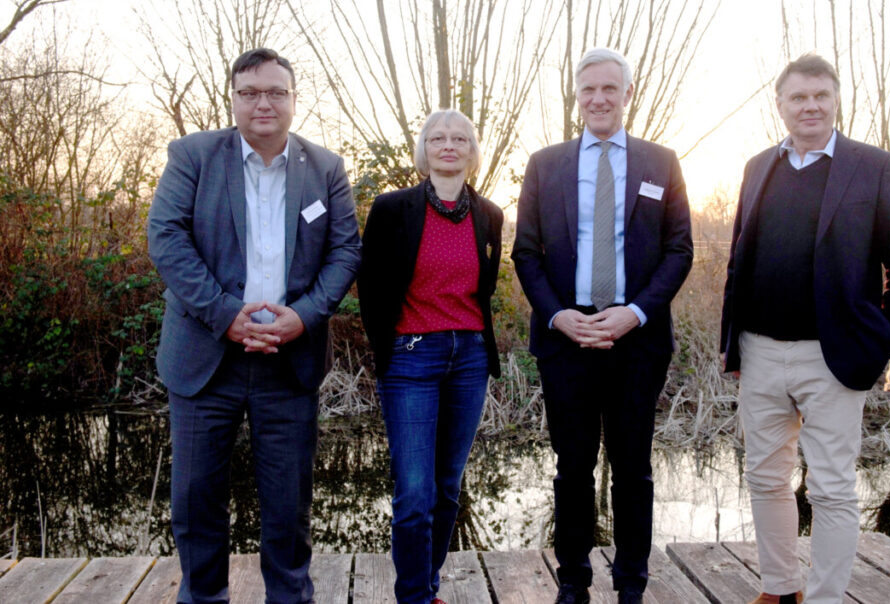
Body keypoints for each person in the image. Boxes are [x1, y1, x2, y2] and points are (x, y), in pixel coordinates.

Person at [148, 48, 361, 603]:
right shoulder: (193, 155)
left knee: (289, 503)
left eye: (275, 92)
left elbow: (344, 253)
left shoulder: (326, 168)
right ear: (233, 98)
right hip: (205, 358)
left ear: (293, 98)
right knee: (196, 498)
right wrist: (225, 315)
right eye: (250, 93)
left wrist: (305, 316)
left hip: (288, 361)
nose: (263, 103)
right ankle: (204, 598)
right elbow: (167, 240)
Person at [720, 53, 890, 604]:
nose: (809, 106)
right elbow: (739, 261)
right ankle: (780, 587)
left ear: (836, 100)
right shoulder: (758, 166)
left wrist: (884, 343)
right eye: (798, 97)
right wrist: (732, 344)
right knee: (764, 478)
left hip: (834, 356)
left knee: (831, 487)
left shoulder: (871, 166)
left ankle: (828, 597)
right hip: (760, 351)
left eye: (820, 97)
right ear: (781, 104)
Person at [512, 48, 693, 604]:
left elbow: (679, 249)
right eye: (588, 89)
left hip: (636, 339)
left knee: (634, 467)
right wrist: (559, 315)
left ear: (627, 94)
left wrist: (634, 313)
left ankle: (632, 583)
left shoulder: (661, 163)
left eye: (609, 89)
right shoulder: (546, 164)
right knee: (572, 468)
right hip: (567, 338)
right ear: (577, 95)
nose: (598, 99)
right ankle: (573, 580)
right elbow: (525, 253)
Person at [358, 109, 503, 604]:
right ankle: (413, 597)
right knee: (414, 494)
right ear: (424, 148)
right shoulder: (392, 208)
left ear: (471, 150)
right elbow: (371, 286)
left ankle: (429, 585)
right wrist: (389, 345)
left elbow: (484, 291)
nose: (448, 145)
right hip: (411, 357)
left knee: (446, 488)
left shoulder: (489, 215)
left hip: (469, 358)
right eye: (437, 137)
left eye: (459, 138)